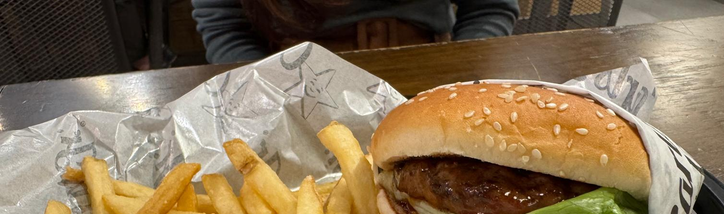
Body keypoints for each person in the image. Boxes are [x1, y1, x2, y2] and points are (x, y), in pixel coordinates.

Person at [192, 0, 520, 64]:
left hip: (429, 74)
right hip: (286, 84)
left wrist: (461, 82)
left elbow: (489, 9)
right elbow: (227, 29)